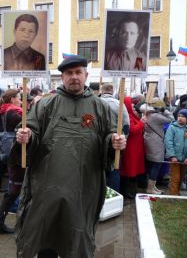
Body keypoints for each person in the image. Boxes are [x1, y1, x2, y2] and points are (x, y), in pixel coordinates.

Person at [13, 55, 126, 257]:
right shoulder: (46, 104)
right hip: (48, 183)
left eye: (78, 72)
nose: (74, 77)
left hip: (84, 185)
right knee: (45, 232)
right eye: (69, 73)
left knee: (76, 233)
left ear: (86, 75)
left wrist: (114, 142)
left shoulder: (100, 107)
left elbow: (110, 134)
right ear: (62, 77)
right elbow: (31, 129)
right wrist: (26, 136)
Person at [0, 89, 23, 235]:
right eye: (19, 98)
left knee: (12, 192)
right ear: (12, 99)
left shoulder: (8, 111)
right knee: (13, 192)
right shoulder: (13, 114)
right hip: (17, 155)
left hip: (15, 155)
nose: (21, 101)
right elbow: (27, 127)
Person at [139, 98, 174, 194]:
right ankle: (150, 188)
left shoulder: (146, 112)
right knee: (156, 164)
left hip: (148, 139)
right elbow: (171, 119)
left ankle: (152, 186)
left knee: (151, 164)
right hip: (156, 141)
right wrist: (164, 110)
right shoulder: (156, 116)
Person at [100, 83, 130, 192]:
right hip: (115, 143)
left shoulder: (95, 102)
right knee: (113, 168)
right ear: (112, 91)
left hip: (98, 143)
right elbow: (126, 125)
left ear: (102, 90)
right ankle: (113, 198)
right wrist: (122, 139)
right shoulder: (119, 104)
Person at [164, 109, 187, 195]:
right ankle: (173, 196)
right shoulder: (172, 127)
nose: (180, 118)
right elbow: (168, 142)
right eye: (179, 116)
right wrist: (172, 156)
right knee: (175, 178)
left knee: (181, 178)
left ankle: (177, 193)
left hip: (185, 159)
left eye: (183, 116)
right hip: (175, 158)